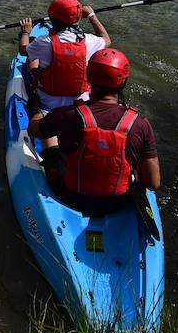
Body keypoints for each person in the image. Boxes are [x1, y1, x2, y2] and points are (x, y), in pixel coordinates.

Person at [29, 49, 161, 216]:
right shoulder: (140, 125)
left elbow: (34, 131)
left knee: (50, 139)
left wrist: (36, 112)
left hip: (69, 194)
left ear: (89, 77)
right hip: (117, 203)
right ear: (123, 82)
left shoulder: (66, 114)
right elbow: (153, 183)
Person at [18, 0, 111, 149]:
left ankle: (50, 146)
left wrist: (25, 33)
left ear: (53, 20)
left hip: (46, 104)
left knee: (31, 60)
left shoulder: (44, 42)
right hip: (80, 103)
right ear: (78, 18)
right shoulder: (89, 41)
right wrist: (92, 16)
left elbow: (22, 50)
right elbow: (106, 40)